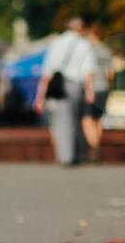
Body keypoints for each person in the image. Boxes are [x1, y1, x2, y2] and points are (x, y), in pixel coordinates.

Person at [33, 16, 96, 165]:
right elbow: (88, 70)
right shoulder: (84, 44)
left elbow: (47, 71)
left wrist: (40, 95)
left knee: (62, 120)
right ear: (80, 28)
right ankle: (76, 155)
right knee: (76, 119)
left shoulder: (56, 42)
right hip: (76, 85)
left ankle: (64, 156)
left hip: (58, 85)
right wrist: (90, 91)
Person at [81, 22, 115, 162]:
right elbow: (110, 73)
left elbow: (85, 73)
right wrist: (107, 85)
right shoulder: (106, 50)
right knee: (97, 120)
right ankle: (96, 145)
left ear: (91, 34)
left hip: (90, 89)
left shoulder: (87, 50)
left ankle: (94, 148)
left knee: (86, 120)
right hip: (103, 89)